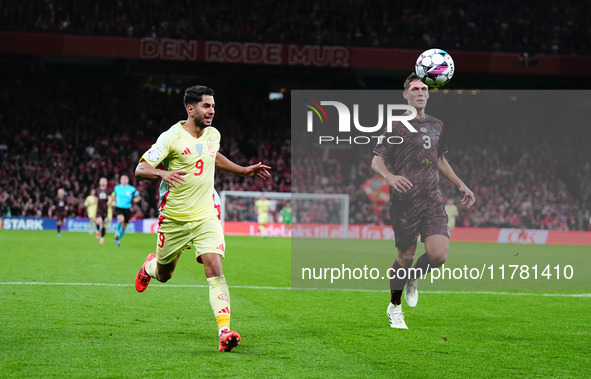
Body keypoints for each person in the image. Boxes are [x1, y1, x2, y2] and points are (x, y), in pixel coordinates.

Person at [134, 85, 271, 352]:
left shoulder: (213, 134)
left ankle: (224, 331)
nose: (212, 111)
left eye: (213, 106)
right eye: (206, 106)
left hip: (206, 213)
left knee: (214, 268)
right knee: (165, 274)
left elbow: (211, 156)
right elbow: (141, 168)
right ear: (191, 109)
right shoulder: (171, 137)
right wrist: (162, 174)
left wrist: (243, 171)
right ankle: (149, 267)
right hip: (174, 218)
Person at [371, 73, 475, 329]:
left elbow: (440, 160)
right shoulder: (395, 125)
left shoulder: (437, 125)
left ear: (428, 94)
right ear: (405, 95)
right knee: (405, 258)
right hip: (405, 201)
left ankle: (413, 278)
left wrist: (461, 184)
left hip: (432, 199)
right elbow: (376, 161)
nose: (420, 92)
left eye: (423, 89)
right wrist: (390, 177)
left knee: (438, 256)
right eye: (414, 89)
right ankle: (395, 307)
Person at [112, 175, 141, 247]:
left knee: (124, 227)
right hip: (119, 207)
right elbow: (113, 196)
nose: (124, 180)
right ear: (120, 180)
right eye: (123, 179)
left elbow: (138, 196)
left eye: (125, 179)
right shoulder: (117, 188)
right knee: (121, 220)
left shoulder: (131, 189)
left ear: (128, 180)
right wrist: (112, 200)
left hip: (127, 209)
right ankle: (117, 232)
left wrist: (136, 199)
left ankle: (117, 240)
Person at [95, 177, 113, 245]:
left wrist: (110, 200)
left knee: (104, 225)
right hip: (99, 209)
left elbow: (113, 196)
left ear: (106, 182)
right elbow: (95, 197)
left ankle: (102, 238)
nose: (103, 182)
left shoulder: (109, 190)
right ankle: (97, 230)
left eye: (104, 181)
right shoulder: (97, 190)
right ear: (99, 182)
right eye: (101, 181)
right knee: (98, 221)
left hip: (105, 210)